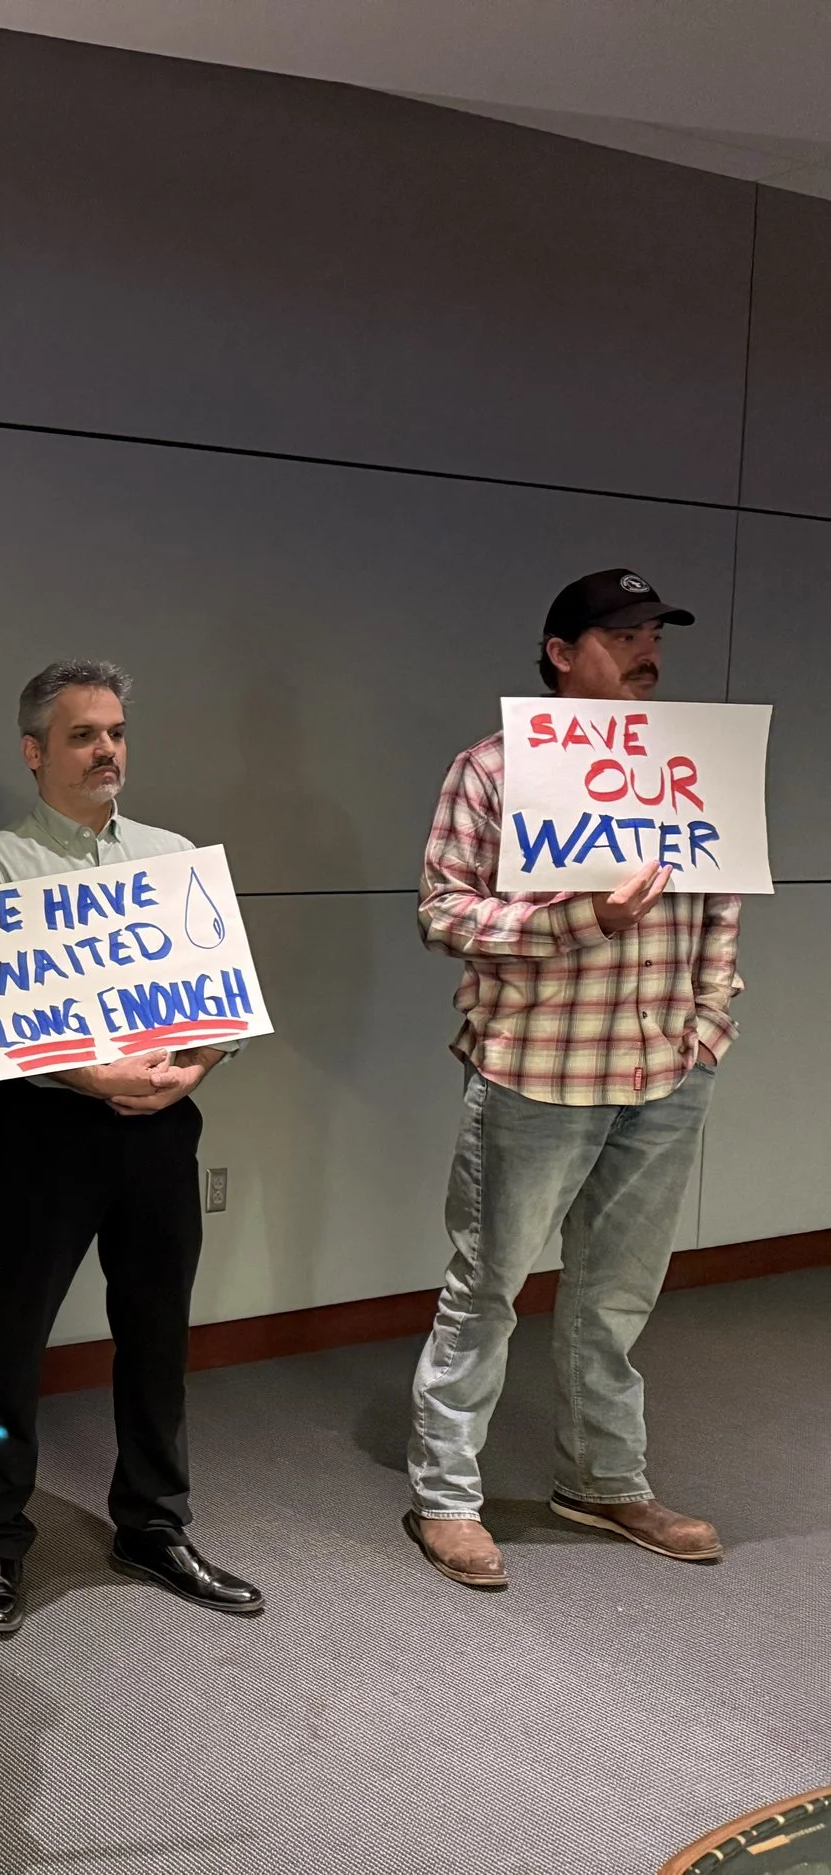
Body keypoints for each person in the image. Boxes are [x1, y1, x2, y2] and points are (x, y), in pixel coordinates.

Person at [404, 568, 737, 1590]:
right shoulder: (491, 769)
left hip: (663, 1070)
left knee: (617, 1295)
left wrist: (708, 1026)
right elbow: (442, 912)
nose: (647, 651)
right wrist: (582, 917)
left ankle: (602, 1481)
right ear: (559, 652)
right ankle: (445, 1496)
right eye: (622, 634)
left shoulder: (690, 766)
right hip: (536, 1070)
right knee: (487, 1289)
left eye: (655, 634)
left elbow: (721, 905)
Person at [0, 659, 262, 1637]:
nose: (106, 750)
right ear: (34, 751)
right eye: (83, 734)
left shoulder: (174, 858)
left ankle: (154, 1525)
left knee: (158, 1332)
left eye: (117, 732)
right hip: (48, 1131)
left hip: (162, 1126)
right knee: (14, 1336)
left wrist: (190, 1070)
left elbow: (219, 1002)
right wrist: (96, 1079)